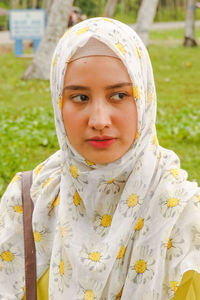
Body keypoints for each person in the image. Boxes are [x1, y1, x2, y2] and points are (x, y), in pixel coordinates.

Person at [0, 17, 200, 300]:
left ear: (144, 99)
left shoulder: (182, 216)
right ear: (58, 104)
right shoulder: (28, 203)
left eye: (119, 95)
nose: (99, 120)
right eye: (80, 98)